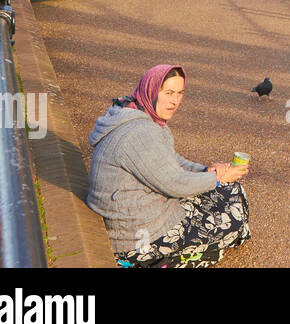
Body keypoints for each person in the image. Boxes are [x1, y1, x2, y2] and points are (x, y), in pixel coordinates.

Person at [86, 64, 251, 268]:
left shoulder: (139, 113)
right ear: (152, 90)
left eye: (180, 93)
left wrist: (205, 171)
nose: (175, 101)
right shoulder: (140, 133)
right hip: (135, 236)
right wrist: (218, 178)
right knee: (233, 220)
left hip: (145, 212)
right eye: (169, 93)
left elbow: (171, 160)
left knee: (232, 190)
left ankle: (198, 250)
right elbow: (176, 183)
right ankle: (168, 262)